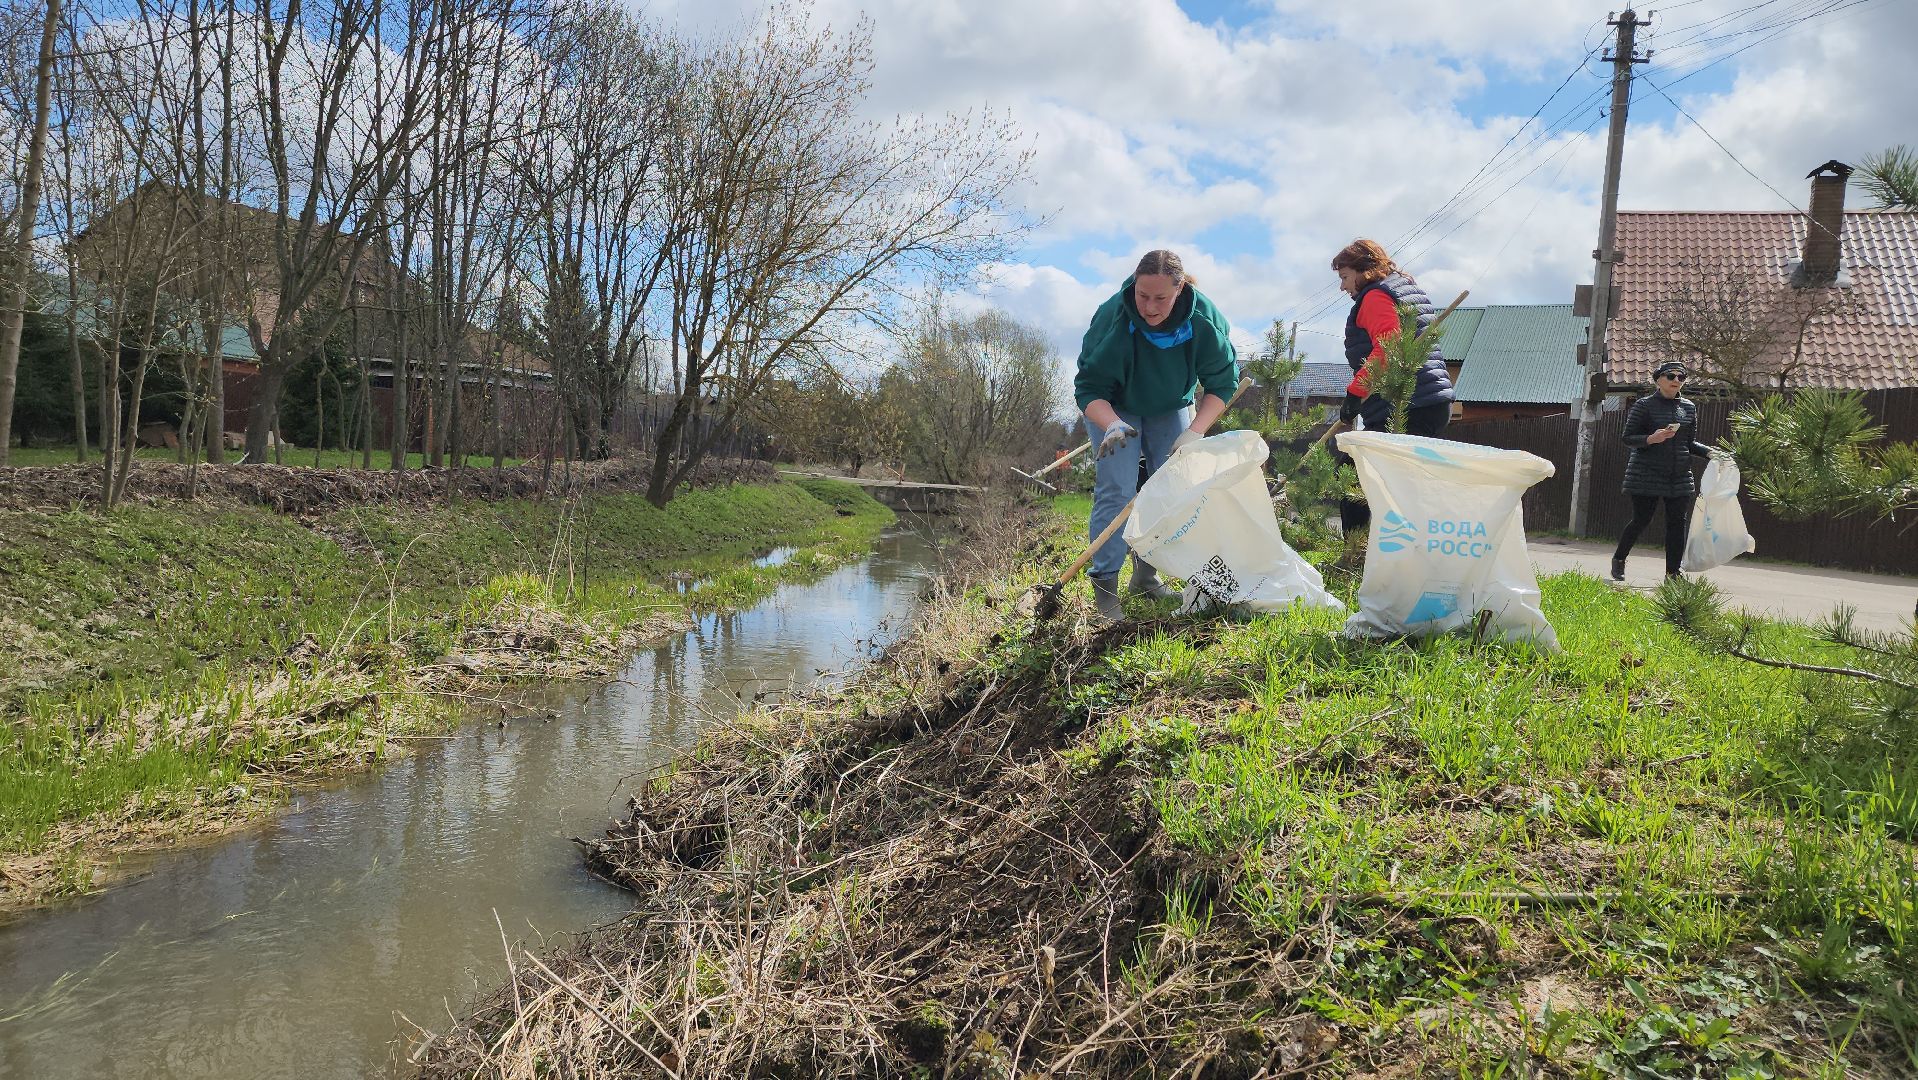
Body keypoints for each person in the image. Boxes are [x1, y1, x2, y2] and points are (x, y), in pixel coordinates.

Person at [1075, 249, 1239, 621]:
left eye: (1160, 298)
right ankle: (1105, 588)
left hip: (1171, 404)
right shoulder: (1112, 318)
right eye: (1142, 295)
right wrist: (1112, 423)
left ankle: (1146, 576)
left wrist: (1196, 431)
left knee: (1167, 489)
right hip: (1115, 405)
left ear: (1179, 290)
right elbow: (1088, 388)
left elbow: (1222, 384)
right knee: (1117, 489)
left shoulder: (1203, 321)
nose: (1149, 307)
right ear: (1134, 286)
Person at [1329, 239, 1456, 534]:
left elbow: (1389, 347)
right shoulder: (1404, 289)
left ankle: (1356, 553)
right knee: (1401, 487)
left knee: (1353, 474)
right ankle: (1399, 555)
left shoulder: (1375, 296)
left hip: (1407, 404)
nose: (1343, 287)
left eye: (1345, 277)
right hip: (1429, 403)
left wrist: (1355, 394)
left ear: (1365, 271)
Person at [1612, 360, 1717, 582]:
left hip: (1679, 476)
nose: (1676, 381)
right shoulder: (1644, 405)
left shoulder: (1688, 407)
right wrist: (1652, 438)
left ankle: (1673, 573)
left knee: (1677, 525)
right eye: (1671, 376)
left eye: (1681, 377)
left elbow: (1689, 443)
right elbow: (1628, 438)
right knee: (1642, 520)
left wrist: (1712, 453)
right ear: (1659, 379)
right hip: (1646, 474)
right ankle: (1619, 559)